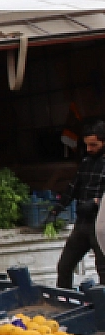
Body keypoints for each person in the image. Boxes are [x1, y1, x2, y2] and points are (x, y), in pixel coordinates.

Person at [57, 120, 105, 289]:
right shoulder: (86, 162)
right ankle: (63, 302)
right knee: (64, 266)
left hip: (101, 225)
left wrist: (96, 202)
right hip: (82, 224)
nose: (90, 149)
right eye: (87, 145)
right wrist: (58, 208)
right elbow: (73, 187)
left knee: (103, 270)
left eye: (94, 145)